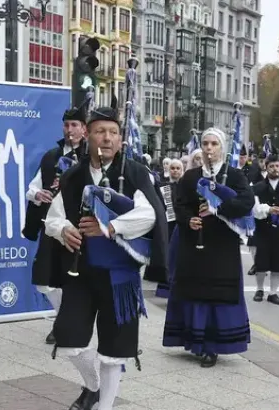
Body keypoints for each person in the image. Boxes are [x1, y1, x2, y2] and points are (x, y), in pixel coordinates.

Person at [41, 106, 169, 410]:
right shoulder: (73, 176)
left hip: (120, 278)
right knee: (69, 341)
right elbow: (52, 219)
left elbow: (149, 215)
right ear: (88, 135)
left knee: (114, 351)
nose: (107, 138)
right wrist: (63, 231)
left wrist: (110, 227)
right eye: (100, 131)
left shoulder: (136, 173)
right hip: (80, 272)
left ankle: (105, 406)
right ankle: (93, 386)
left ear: (121, 138)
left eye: (113, 132)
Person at [163, 127, 254, 368]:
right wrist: (187, 219)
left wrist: (219, 209)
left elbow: (247, 202)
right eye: (205, 144)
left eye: (214, 144)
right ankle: (195, 341)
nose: (209, 148)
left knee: (217, 294)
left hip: (223, 246)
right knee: (195, 292)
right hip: (194, 245)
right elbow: (179, 204)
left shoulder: (233, 175)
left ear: (221, 147)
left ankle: (212, 346)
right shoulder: (191, 177)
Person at [24, 107, 88, 345]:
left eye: (75, 125)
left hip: (78, 226)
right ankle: (63, 317)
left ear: (84, 129)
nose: (70, 130)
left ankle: (67, 323)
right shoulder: (51, 156)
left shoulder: (91, 156)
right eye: (67, 125)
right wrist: (37, 194)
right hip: (51, 224)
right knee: (44, 279)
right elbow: (32, 187)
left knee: (74, 278)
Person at [250, 154, 279, 306]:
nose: (275, 169)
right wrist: (268, 210)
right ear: (266, 168)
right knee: (261, 262)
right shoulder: (258, 187)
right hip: (263, 229)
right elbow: (254, 209)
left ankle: (273, 293)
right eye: (271, 166)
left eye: (277, 166)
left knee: (278, 263)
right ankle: (259, 289)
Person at [152, 158, 184, 298]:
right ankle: (165, 289)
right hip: (168, 225)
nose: (175, 171)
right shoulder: (164, 186)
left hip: (182, 224)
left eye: (178, 168)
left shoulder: (186, 186)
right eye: (173, 168)